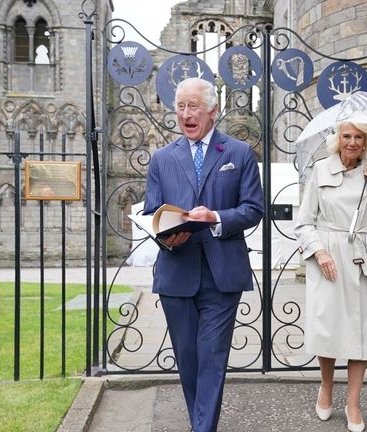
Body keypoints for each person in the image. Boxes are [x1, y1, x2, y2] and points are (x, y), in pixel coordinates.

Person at [143, 77, 264, 432]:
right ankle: (202, 423)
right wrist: (169, 238)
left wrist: (216, 218)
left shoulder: (238, 154)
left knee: (212, 357)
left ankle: (202, 428)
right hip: (176, 272)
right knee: (189, 358)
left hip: (221, 274)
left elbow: (253, 209)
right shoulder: (162, 159)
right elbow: (152, 213)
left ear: (212, 110)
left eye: (192, 106)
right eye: (180, 107)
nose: (185, 114)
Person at [295, 121, 367, 432]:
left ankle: (353, 401)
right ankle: (326, 386)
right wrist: (319, 252)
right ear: (338, 139)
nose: (352, 142)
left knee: (361, 330)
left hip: (362, 255)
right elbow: (303, 222)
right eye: (347, 136)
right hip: (328, 255)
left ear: (366, 142)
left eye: (358, 137)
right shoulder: (320, 170)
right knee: (328, 326)